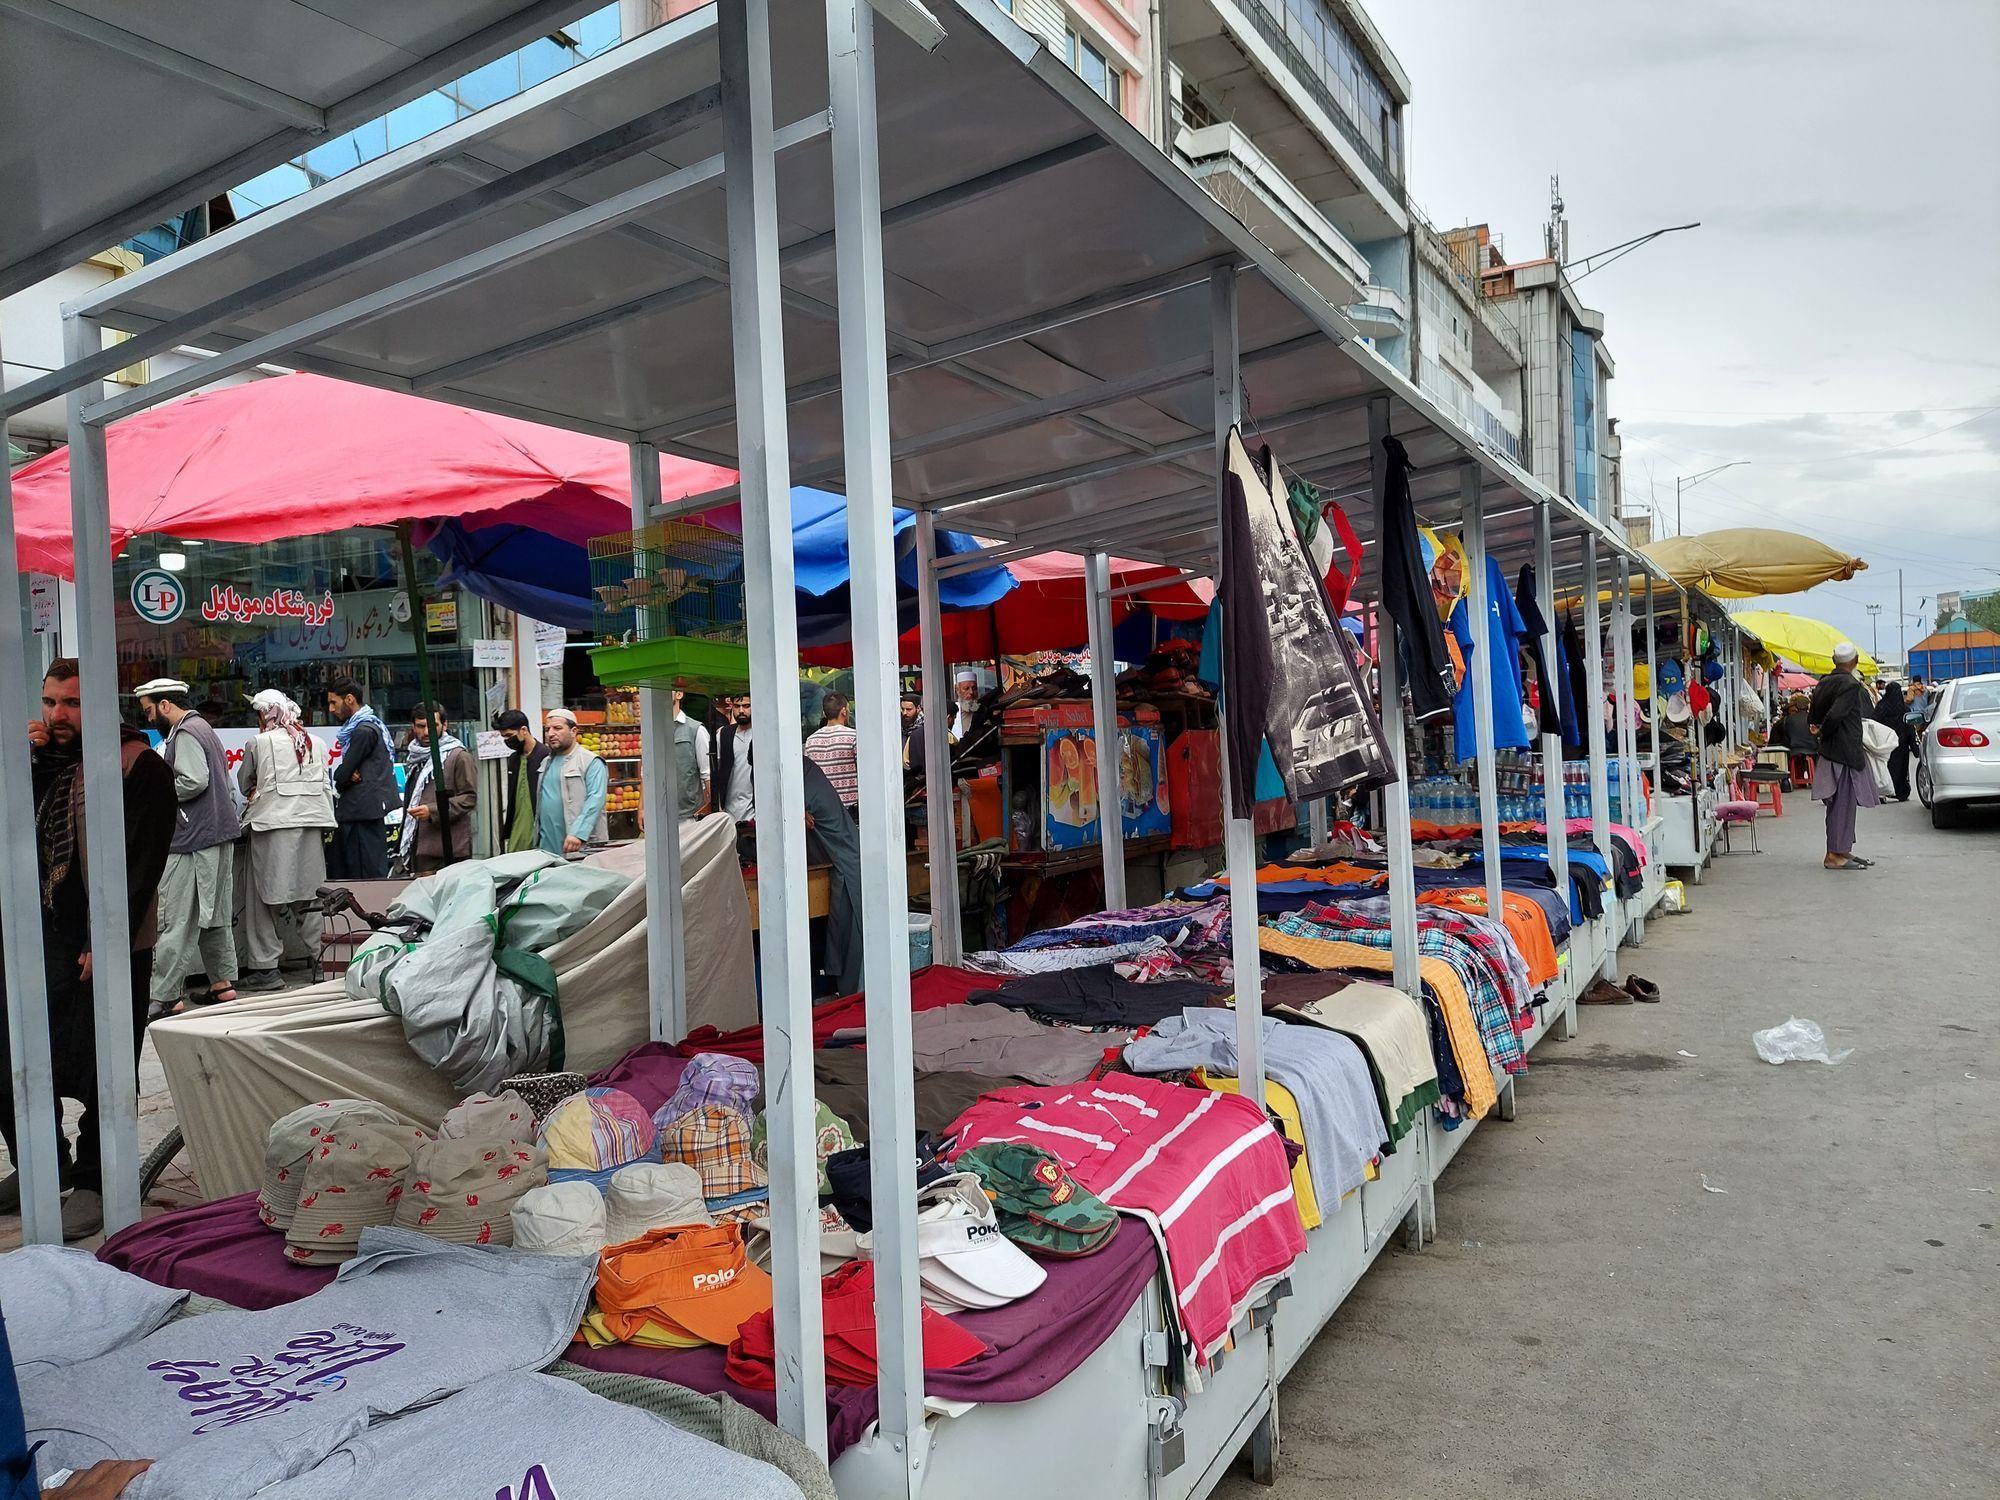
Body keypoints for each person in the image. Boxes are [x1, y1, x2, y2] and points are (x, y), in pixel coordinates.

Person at [0, 660, 174, 1239]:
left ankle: (98, 1181)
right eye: (51, 702)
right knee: (14, 1053)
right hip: (38, 939)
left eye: (72, 703)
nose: (58, 715)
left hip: (105, 944)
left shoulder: (138, 766)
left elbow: (142, 865)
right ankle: (41, 1161)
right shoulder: (39, 764)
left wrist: (106, 939)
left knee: (105, 1063)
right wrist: (25, 762)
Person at [136, 676, 242, 1014]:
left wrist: (156, 795)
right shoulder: (204, 728)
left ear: (165, 705)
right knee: (214, 915)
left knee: (176, 919)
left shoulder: (184, 733)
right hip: (216, 835)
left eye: (149, 710)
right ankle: (222, 985)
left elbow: (194, 780)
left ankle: (165, 996)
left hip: (192, 840)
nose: (148, 717)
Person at [235, 689, 336, 992]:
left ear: (264, 714)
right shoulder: (317, 742)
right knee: (311, 895)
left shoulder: (259, 743)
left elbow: (244, 782)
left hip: (272, 826)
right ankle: (323, 960)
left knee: (263, 899)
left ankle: (266, 968)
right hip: (312, 825)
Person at [1806, 642, 1878, 871]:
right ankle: (1834, 854)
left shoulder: (1823, 682)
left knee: (1839, 803)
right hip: (1844, 751)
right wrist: (1825, 729)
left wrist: (1819, 728)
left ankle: (1841, 849)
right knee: (1843, 803)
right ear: (1855, 661)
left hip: (1830, 750)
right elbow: (1836, 715)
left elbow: (1813, 715)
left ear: (1833, 660)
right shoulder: (1850, 684)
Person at [324, 677, 398, 879]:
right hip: (363, 812)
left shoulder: (363, 731)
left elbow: (341, 775)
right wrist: (348, 776)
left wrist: (345, 777)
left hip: (362, 814)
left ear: (349, 699)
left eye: (334, 702)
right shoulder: (367, 726)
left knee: (363, 876)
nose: (331, 709)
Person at [396, 703, 476, 874]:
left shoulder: (458, 756)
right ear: (413, 727)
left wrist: (432, 810)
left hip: (448, 848)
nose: (426, 732)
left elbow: (469, 798)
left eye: (432, 726)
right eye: (421, 726)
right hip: (419, 846)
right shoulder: (415, 757)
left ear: (445, 725)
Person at [537, 707, 608, 854]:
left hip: (579, 845)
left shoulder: (591, 762)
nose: (551, 733)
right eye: (547, 729)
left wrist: (578, 833)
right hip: (547, 847)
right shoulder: (545, 763)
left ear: (573, 731)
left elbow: (595, 799)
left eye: (557, 728)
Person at [492, 709, 550, 854]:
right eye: (504, 737)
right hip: (517, 832)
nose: (507, 741)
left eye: (509, 736)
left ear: (524, 730)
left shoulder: (546, 757)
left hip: (541, 833)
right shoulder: (513, 759)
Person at [803, 692, 859, 809]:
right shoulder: (853, 737)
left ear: (824, 713)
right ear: (844, 711)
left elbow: (808, 777)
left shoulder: (810, 741)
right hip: (850, 807)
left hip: (824, 808)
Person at [1869, 679, 1915, 802]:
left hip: (1885, 743)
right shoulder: (1905, 709)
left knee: (1884, 767)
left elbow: (1873, 723)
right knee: (1901, 768)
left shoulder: (1881, 707)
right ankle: (1900, 791)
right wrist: (1914, 747)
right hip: (1901, 744)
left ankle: (1884, 791)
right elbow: (1910, 729)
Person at [714, 695, 756, 824]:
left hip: (756, 810)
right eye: (737, 706)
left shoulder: (763, 733)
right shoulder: (723, 734)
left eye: (746, 706)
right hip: (728, 810)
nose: (741, 711)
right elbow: (716, 770)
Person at [674, 688, 712, 812]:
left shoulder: (696, 729)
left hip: (690, 812)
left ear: (679, 694)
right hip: (660, 811)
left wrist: (715, 809)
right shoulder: (655, 730)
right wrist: (642, 808)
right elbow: (646, 773)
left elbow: (707, 773)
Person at [900, 691, 927, 774]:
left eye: (909, 709)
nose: (904, 713)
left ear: (918, 708)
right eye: (902, 709)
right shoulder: (899, 727)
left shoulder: (926, 729)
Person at [950, 669, 980, 740]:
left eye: (974, 688)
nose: (971, 692)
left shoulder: (983, 710)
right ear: (957, 690)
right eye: (966, 688)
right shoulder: (951, 713)